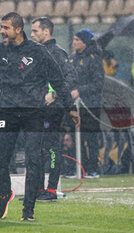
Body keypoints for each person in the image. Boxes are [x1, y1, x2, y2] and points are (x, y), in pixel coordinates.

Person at [0, 12, 80, 221]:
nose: (2, 31)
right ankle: (5, 193)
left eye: (6, 28)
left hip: (33, 112)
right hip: (8, 110)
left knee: (33, 159)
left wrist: (70, 107)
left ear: (17, 30)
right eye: (1, 27)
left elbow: (58, 79)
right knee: (0, 160)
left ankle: (28, 210)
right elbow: (0, 78)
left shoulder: (39, 52)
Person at [30, 17, 78, 201]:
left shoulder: (57, 53)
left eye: (35, 31)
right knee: (37, 148)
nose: (32, 34)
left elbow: (71, 79)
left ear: (46, 32)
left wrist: (55, 95)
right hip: (38, 108)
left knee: (51, 147)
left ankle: (50, 190)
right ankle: (38, 189)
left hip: (53, 109)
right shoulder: (36, 52)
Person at [69, 29, 105, 178]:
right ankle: (78, 168)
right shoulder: (72, 59)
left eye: (78, 40)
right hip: (74, 105)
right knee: (76, 137)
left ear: (84, 42)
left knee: (90, 138)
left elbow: (98, 84)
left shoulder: (94, 59)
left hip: (90, 105)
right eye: (74, 39)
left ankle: (93, 169)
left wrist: (80, 91)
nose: (75, 42)